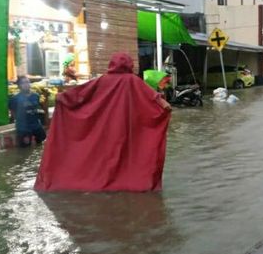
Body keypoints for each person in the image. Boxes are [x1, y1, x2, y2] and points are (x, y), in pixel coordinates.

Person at [35, 52, 172, 192]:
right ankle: (125, 179)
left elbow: (80, 94)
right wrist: (165, 108)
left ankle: (104, 180)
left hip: (105, 129)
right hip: (124, 128)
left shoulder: (103, 80)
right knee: (124, 155)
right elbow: (156, 99)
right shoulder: (133, 80)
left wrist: (61, 98)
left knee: (105, 155)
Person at [8, 76, 47, 147]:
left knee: (42, 142)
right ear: (19, 85)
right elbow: (12, 111)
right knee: (25, 148)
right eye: (23, 83)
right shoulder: (15, 99)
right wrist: (18, 120)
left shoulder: (36, 96)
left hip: (36, 125)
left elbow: (39, 108)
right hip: (23, 127)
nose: (26, 84)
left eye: (27, 82)